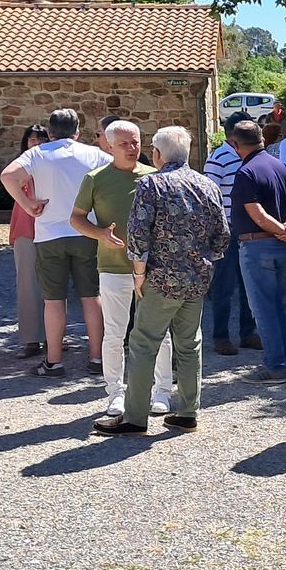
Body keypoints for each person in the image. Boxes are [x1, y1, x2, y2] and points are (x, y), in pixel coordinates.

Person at [99, 126, 231, 435]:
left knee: (144, 344)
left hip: (160, 279)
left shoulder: (151, 184)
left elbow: (138, 233)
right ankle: (187, 413)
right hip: (196, 279)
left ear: (157, 154)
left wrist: (139, 274)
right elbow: (222, 235)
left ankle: (134, 418)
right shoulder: (208, 185)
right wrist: (203, 262)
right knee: (190, 344)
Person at [72, 120, 173, 423]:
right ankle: (115, 393)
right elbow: (76, 218)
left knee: (159, 332)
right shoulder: (95, 179)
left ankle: (162, 392)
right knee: (115, 333)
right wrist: (100, 234)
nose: (132, 148)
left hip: (153, 268)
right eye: (125, 144)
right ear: (109, 146)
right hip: (113, 267)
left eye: (136, 142)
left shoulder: (154, 177)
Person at [0, 108, 112, 378]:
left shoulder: (37, 154)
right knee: (91, 297)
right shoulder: (94, 154)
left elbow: (7, 175)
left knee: (53, 300)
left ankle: (54, 361)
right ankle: (97, 358)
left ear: (50, 133)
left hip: (49, 234)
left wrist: (27, 204)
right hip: (86, 231)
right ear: (77, 132)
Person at [230, 120, 286, 384]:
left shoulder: (246, 172)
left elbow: (257, 214)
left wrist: (283, 230)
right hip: (281, 246)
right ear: (262, 139)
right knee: (280, 305)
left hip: (256, 245)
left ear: (235, 145)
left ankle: (275, 366)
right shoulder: (280, 166)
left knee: (263, 309)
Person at [203, 115, 261, 356]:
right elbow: (209, 198)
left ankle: (248, 333)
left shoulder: (249, 157)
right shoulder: (218, 159)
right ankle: (221, 336)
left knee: (249, 285)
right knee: (224, 287)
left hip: (249, 230)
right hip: (226, 231)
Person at [11, 124, 53, 359]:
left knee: (53, 284)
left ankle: (54, 337)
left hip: (51, 228)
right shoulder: (19, 166)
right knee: (27, 285)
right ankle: (30, 339)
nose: (36, 143)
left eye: (41, 139)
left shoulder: (54, 164)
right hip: (26, 228)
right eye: (32, 139)